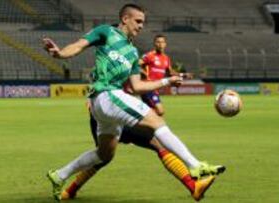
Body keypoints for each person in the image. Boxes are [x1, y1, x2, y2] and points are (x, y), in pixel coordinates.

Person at [43, 4, 219, 201]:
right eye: (138, 21)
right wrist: (59, 54)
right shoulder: (106, 32)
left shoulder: (133, 53)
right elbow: (78, 45)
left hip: (105, 105)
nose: (141, 26)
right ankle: (195, 167)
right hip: (106, 94)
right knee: (156, 122)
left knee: (105, 154)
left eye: (143, 22)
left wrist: (166, 81)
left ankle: (60, 176)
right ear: (125, 19)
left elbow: (136, 86)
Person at [59, 106, 226, 200]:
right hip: (108, 119)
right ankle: (193, 186)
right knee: (104, 156)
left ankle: (70, 191)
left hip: (117, 118)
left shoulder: (120, 61)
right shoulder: (114, 64)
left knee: (104, 158)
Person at [140, 34, 189, 116]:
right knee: (160, 111)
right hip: (148, 87)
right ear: (154, 44)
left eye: (162, 42)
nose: (160, 44)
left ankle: (137, 125)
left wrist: (183, 75)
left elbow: (170, 73)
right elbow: (136, 65)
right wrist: (142, 72)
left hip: (156, 88)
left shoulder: (166, 58)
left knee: (151, 112)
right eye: (158, 42)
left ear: (165, 44)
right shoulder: (149, 56)